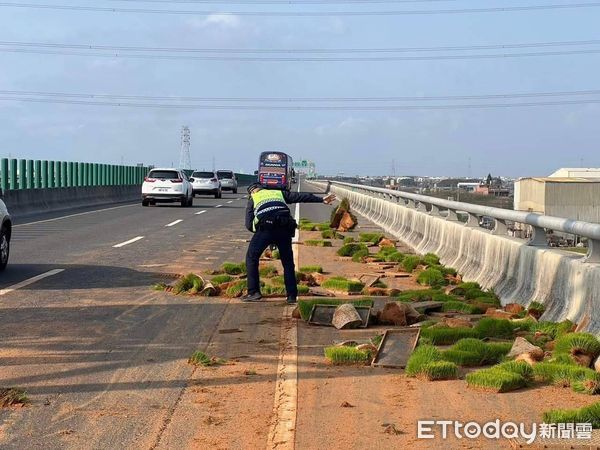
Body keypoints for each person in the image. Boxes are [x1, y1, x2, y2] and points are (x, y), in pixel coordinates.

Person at [243, 182, 335, 304]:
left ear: (252, 192)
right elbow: (299, 196)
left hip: (266, 227)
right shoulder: (278, 193)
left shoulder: (253, 198)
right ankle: (291, 295)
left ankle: (254, 292)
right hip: (285, 226)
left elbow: (249, 224)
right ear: (262, 188)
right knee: (287, 263)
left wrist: (259, 233)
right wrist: (321, 200)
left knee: (251, 257)